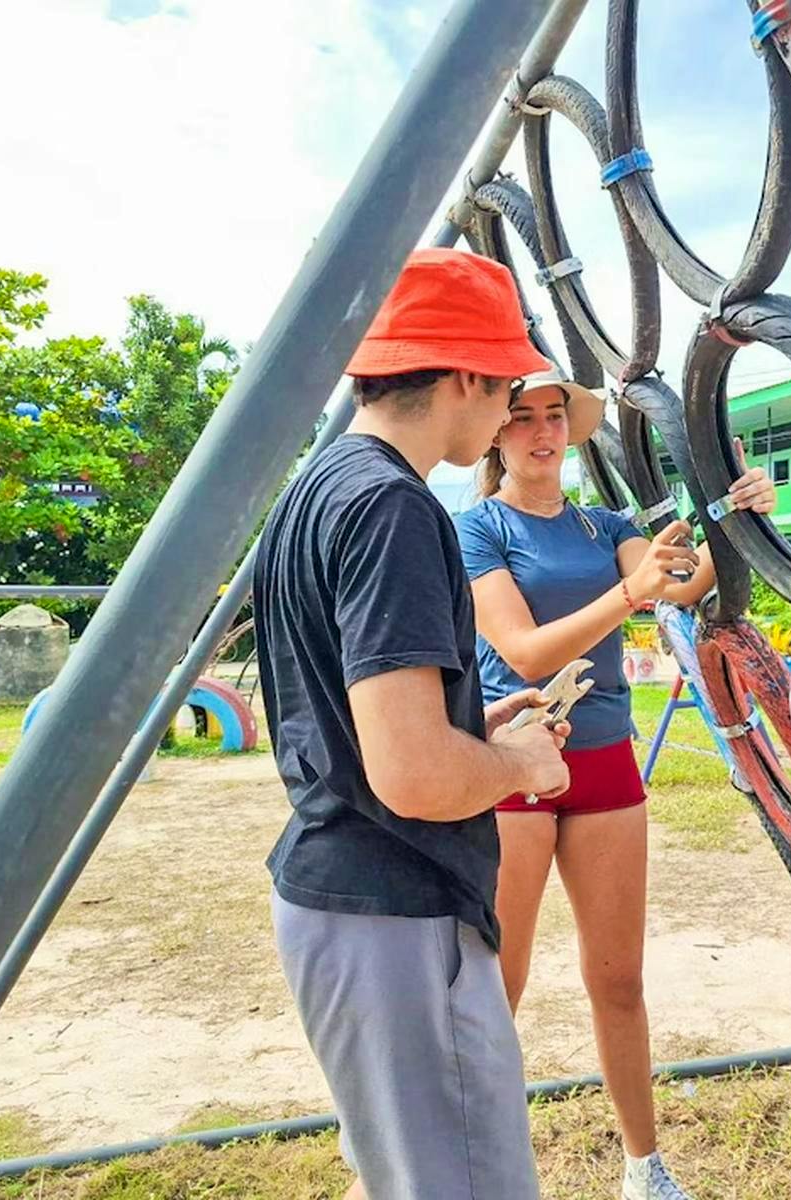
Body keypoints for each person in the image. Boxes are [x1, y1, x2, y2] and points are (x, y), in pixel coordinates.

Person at [254, 248, 574, 1200]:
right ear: (468, 375)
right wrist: (518, 764)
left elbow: (357, 717)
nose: (510, 413)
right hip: (396, 907)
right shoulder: (395, 506)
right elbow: (415, 776)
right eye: (508, 387)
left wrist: (476, 722)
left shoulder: (319, 487)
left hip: (337, 895)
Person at [455, 377, 777, 1200]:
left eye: (554, 416)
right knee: (499, 987)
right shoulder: (479, 529)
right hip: (517, 764)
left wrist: (735, 514)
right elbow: (525, 652)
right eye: (521, 417)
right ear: (494, 433)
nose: (541, 432)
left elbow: (683, 585)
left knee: (619, 980)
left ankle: (644, 1168)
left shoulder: (606, 527)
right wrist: (630, 593)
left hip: (603, 760)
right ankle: (469, 1170)